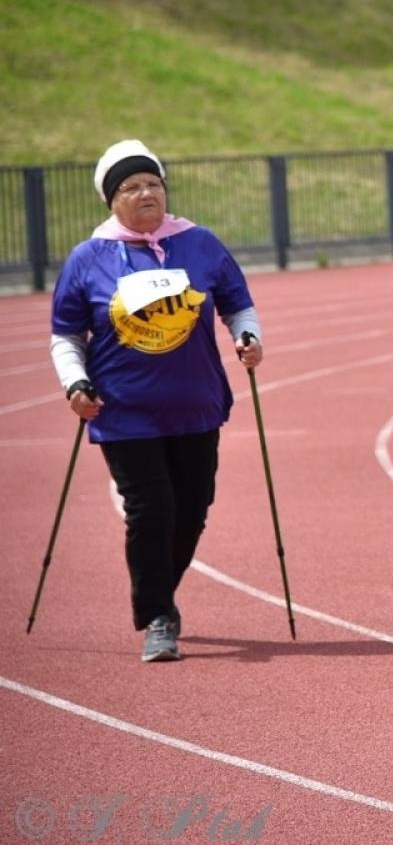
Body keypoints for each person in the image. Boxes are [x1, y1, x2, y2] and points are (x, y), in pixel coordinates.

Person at [48, 140, 264, 663]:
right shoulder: (89, 258)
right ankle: (159, 616)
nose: (146, 193)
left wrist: (248, 337)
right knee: (151, 509)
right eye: (131, 187)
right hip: (123, 408)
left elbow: (238, 305)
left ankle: (160, 591)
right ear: (111, 200)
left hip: (196, 403)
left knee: (193, 507)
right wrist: (75, 384)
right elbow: (66, 336)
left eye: (153, 183)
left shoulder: (200, 244)